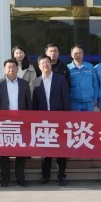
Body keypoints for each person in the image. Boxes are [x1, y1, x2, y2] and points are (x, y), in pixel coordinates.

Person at [0, 59, 33, 187]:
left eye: (14, 67)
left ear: (17, 69)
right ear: (4, 69)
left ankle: (20, 178)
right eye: (8, 67)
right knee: (4, 152)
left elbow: (28, 104)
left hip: (21, 122)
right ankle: (5, 179)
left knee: (21, 151)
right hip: (4, 123)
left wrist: (29, 121)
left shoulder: (24, 84)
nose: (11, 69)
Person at [32, 54, 71, 186]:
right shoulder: (36, 82)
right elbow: (34, 103)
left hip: (59, 119)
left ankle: (62, 175)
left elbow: (66, 99)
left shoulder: (60, 79)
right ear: (39, 66)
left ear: (51, 64)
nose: (45, 65)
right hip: (43, 121)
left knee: (61, 149)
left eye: (47, 62)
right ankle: (45, 176)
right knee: (45, 150)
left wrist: (67, 118)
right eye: (42, 63)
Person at [67, 45, 98, 112]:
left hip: (89, 102)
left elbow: (95, 83)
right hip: (74, 102)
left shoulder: (90, 66)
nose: (78, 55)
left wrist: (96, 98)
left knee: (89, 119)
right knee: (75, 119)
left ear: (83, 54)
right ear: (71, 55)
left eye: (80, 53)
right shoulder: (68, 68)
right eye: (76, 53)